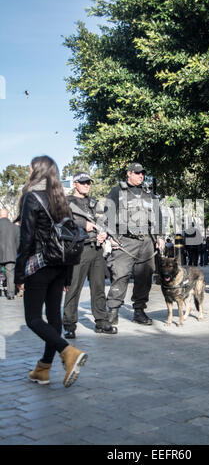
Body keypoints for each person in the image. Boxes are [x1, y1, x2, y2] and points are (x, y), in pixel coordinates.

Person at [14, 155, 87, 388]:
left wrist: (19, 274)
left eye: (30, 168)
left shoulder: (31, 197)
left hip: (39, 264)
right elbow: (67, 237)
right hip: (60, 265)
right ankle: (43, 370)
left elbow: (25, 240)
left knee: (33, 318)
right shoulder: (60, 199)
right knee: (54, 319)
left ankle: (68, 352)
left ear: (37, 171)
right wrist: (67, 274)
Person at [104, 162, 164, 326]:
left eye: (142, 173)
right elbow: (108, 214)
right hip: (125, 241)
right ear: (128, 174)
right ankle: (113, 310)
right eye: (137, 173)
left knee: (144, 277)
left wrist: (160, 237)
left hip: (147, 241)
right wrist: (112, 236)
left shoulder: (149, 194)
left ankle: (139, 311)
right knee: (120, 275)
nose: (141, 176)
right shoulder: (118, 191)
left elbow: (158, 215)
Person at [63, 171, 117, 338]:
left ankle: (101, 321)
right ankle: (69, 324)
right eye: (83, 182)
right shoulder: (66, 202)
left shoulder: (94, 203)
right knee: (74, 288)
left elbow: (103, 222)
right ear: (75, 184)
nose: (86, 185)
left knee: (99, 287)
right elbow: (62, 221)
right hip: (78, 249)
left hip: (97, 248)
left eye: (88, 182)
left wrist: (104, 234)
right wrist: (82, 224)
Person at [0, 208, 19, 299]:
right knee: (10, 274)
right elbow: (18, 243)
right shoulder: (14, 227)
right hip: (10, 254)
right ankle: (11, 294)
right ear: (7, 215)